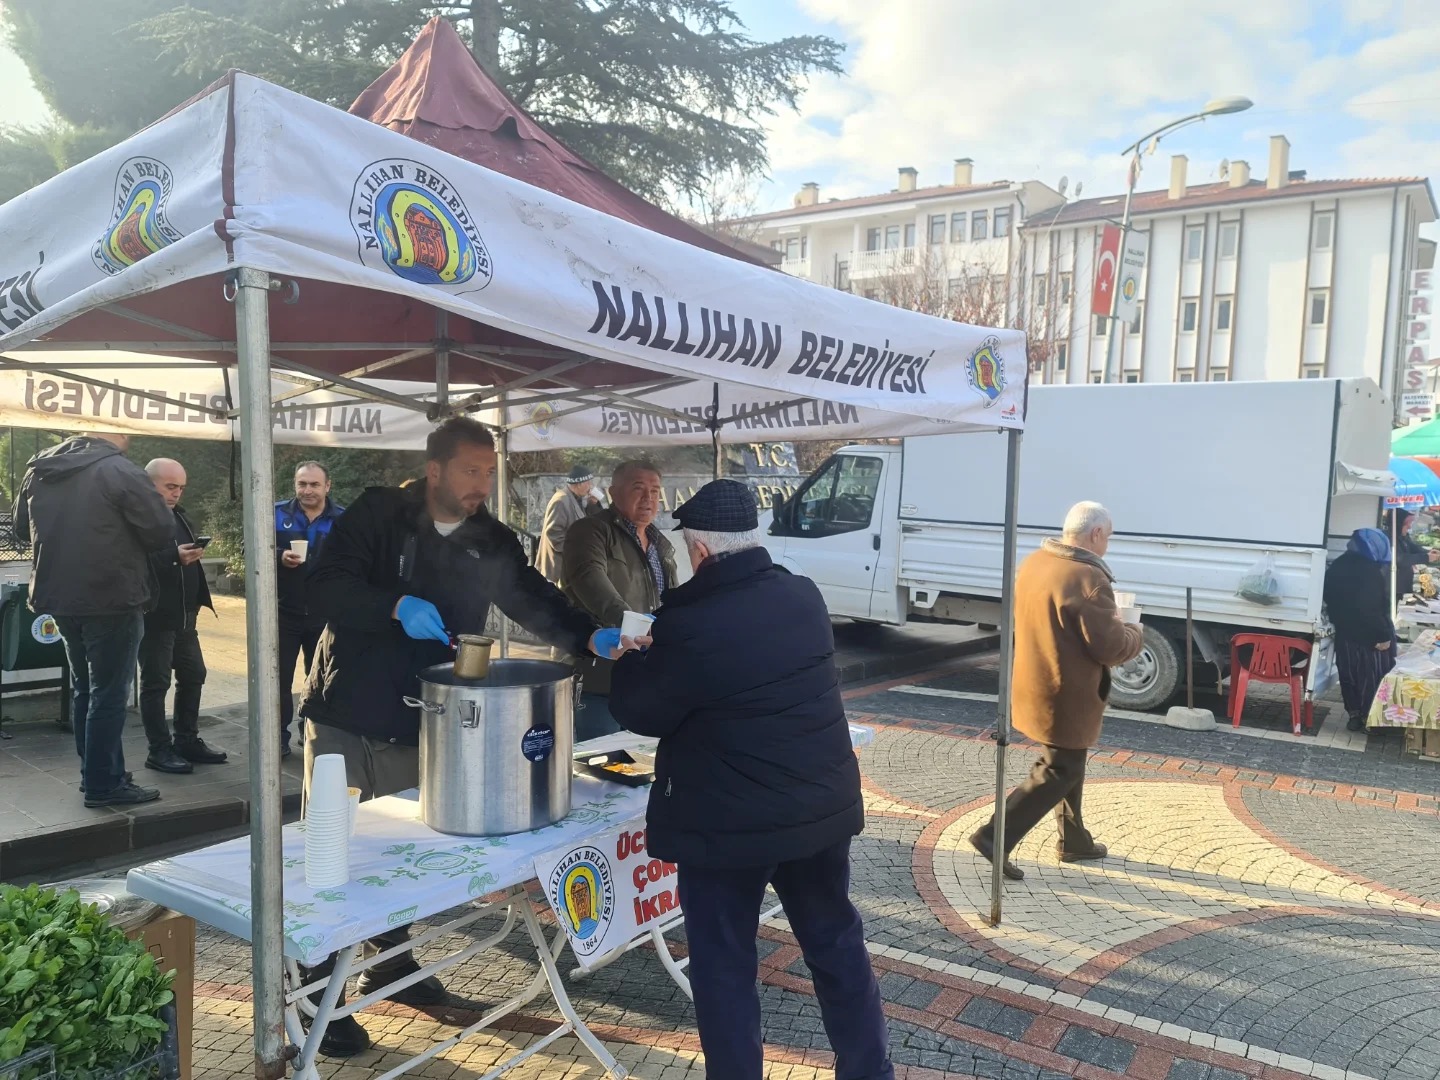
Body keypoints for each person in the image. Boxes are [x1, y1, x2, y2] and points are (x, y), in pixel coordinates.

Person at [297, 416, 618, 1056]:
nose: (481, 485)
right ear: (437, 468)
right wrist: (393, 606)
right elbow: (323, 588)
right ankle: (311, 996)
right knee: (335, 859)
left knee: (408, 859)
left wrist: (587, 635)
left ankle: (393, 967)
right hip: (351, 710)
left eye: (488, 473)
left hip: (431, 716)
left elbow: (530, 597)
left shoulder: (488, 537)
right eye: (471, 471)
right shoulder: (378, 513)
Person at [610, 480, 894, 1080]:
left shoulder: (688, 623)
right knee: (837, 946)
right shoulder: (803, 596)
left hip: (726, 828)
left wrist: (635, 654)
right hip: (816, 812)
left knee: (724, 966)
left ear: (702, 552)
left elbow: (642, 713)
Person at [969, 501, 1144, 881]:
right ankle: (993, 837)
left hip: (1034, 680)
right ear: (1096, 534)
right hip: (1067, 692)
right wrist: (1133, 629)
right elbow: (1111, 648)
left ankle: (1074, 840)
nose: (1108, 545)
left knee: (1069, 763)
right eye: (1108, 537)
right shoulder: (1088, 579)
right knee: (1059, 769)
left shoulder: (1036, 562)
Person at [11, 431, 174, 807]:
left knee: (86, 688)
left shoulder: (40, 468)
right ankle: (104, 784)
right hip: (111, 597)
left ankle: (98, 772)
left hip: (60, 598)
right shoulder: (119, 470)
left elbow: (23, 529)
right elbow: (160, 531)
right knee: (109, 694)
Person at [562, 459, 678, 740]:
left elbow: (673, 602)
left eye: (654, 490)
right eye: (639, 488)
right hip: (599, 679)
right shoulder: (590, 530)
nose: (648, 498)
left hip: (648, 682)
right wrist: (636, 629)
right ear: (613, 492)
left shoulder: (661, 543)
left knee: (640, 769)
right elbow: (590, 581)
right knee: (597, 767)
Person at [137, 458, 227, 774]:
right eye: (170, 486)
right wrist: (174, 558)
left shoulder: (177, 515)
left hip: (186, 615)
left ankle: (186, 739)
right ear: (150, 483)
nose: (177, 494)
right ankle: (158, 749)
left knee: (193, 675)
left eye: (181, 488)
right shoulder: (139, 516)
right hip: (155, 614)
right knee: (156, 683)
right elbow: (136, 561)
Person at [275, 460, 344, 757]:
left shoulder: (343, 518)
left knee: (318, 680)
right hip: (282, 612)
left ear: (327, 486)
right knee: (277, 679)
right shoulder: (276, 513)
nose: (307, 490)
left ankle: (312, 733)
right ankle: (276, 738)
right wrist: (279, 557)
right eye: (302, 483)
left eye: (314, 484)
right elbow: (247, 549)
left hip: (325, 614)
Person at [1323, 528, 1397, 732]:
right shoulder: (1369, 571)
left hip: (1346, 632)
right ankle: (1371, 717)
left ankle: (1354, 715)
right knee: (1372, 675)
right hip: (1371, 635)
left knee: (1349, 674)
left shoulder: (1338, 565)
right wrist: (1382, 635)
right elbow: (1373, 607)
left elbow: (1329, 597)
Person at [533, 463, 601, 584]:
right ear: (579, 484)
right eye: (588, 483)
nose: (590, 487)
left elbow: (588, 523)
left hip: (567, 567)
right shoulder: (561, 500)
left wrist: (593, 504)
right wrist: (575, 551)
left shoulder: (576, 498)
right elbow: (553, 532)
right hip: (557, 570)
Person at [1392, 509, 1437, 603]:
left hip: (1405, 583)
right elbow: (1400, 559)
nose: (1409, 526)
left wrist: (1429, 553)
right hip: (1394, 586)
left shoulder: (1403, 536)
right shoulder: (1390, 539)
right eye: (1408, 523)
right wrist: (1426, 557)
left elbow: (1414, 548)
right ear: (1399, 523)